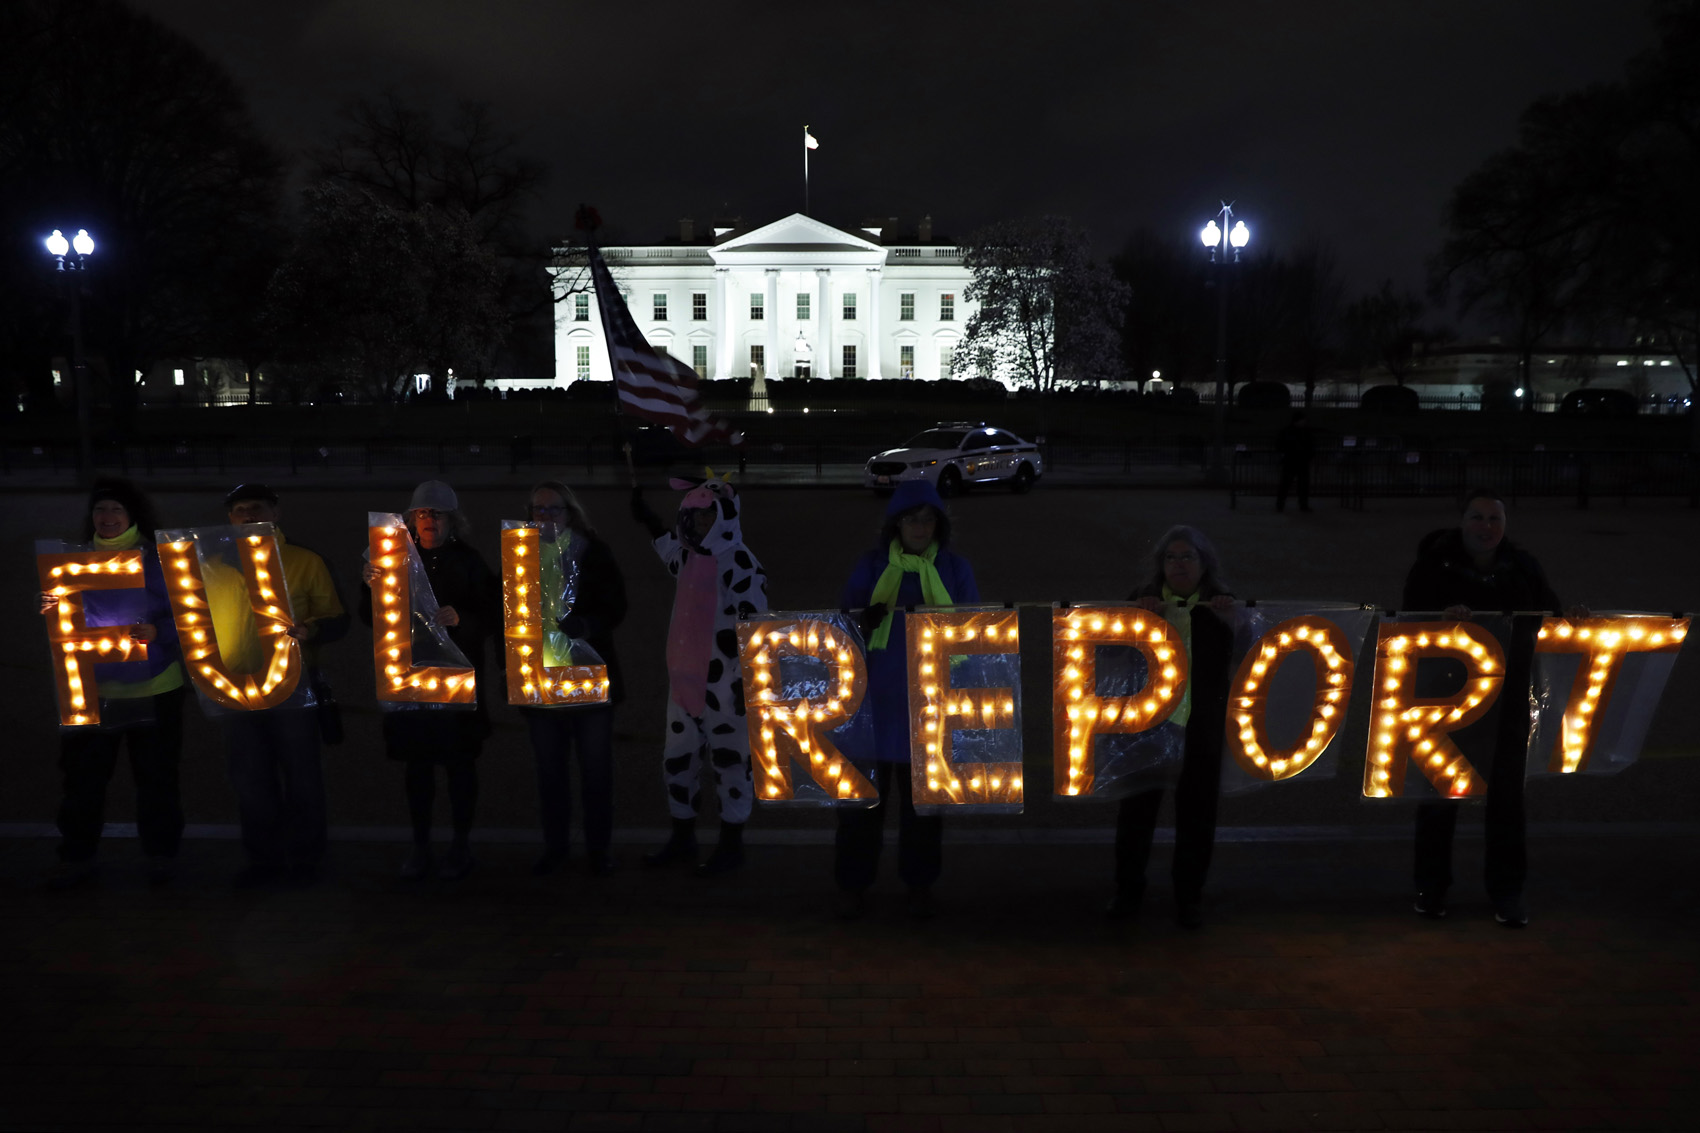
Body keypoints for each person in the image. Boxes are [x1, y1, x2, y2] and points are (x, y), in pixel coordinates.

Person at [1400, 488, 1578, 928]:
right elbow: (1409, 619)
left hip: (1510, 697)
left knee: (1506, 802)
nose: (1486, 527)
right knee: (1441, 796)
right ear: (1462, 522)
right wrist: (1444, 616)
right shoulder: (1431, 566)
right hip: (1447, 700)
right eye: (1477, 518)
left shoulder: (1523, 567)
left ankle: (1507, 892)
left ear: (1505, 526)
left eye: (1494, 519)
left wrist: (1570, 616)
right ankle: (1431, 886)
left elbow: (1548, 612)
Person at [835, 479, 979, 919]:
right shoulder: (871, 566)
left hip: (928, 706)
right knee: (862, 806)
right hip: (873, 706)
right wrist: (860, 619)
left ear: (939, 525)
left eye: (928, 518)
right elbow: (841, 630)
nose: (921, 526)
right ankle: (854, 885)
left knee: (924, 809)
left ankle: (919, 883)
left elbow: (973, 630)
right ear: (896, 524)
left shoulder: (954, 569)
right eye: (912, 518)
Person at [40, 478, 185, 888]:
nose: (106, 518)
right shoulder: (71, 561)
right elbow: (65, 619)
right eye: (100, 510)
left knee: (157, 779)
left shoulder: (160, 560)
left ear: (133, 515)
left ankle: (161, 855)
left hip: (156, 687)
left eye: (116, 510)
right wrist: (50, 605)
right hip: (92, 690)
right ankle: (77, 854)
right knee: (83, 778)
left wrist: (161, 633)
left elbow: (191, 615)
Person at [360, 480, 499, 880]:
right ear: (410, 520)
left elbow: (493, 614)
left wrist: (464, 619)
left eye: (437, 514)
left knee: (459, 769)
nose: (429, 521)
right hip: (414, 683)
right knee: (418, 769)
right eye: (422, 513)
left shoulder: (470, 562)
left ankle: (459, 843)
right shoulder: (393, 561)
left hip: (456, 684)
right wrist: (369, 584)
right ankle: (421, 844)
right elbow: (370, 617)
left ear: (453, 520)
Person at [630, 473, 768, 876]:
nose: (700, 524)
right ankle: (683, 836)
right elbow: (668, 550)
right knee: (678, 760)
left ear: (725, 515)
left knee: (730, 762)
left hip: (728, 686)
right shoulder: (691, 556)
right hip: (685, 682)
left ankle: (731, 843)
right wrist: (649, 521)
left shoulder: (740, 561)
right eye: (694, 517)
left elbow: (756, 621)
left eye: (708, 516)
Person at [216, 484, 348, 885]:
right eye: (240, 509)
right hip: (237, 685)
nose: (248, 514)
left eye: (257, 507)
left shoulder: (305, 560)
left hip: (294, 682)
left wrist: (313, 629)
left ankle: (306, 858)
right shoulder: (213, 564)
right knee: (251, 778)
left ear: (276, 512)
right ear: (230, 518)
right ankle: (265, 861)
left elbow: (337, 619)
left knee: (302, 774)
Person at [1109, 525, 1237, 929]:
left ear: (1204, 564)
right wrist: (1135, 616)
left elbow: (1250, 657)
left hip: (1201, 728)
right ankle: (1128, 893)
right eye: (1171, 557)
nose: (1179, 565)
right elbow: (1109, 655)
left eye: (1188, 557)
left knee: (1197, 817)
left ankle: (1189, 898)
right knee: (1136, 815)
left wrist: (1235, 620)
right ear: (1160, 565)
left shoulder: (1223, 608)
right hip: (1149, 725)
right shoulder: (1141, 601)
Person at [520, 480, 627, 876]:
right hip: (540, 680)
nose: (545, 516)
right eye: (538, 509)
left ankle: (598, 850)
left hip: (588, 677)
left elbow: (616, 605)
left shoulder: (592, 551)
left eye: (553, 509)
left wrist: (586, 624)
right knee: (550, 774)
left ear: (570, 512)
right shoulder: (519, 554)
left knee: (595, 772)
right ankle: (556, 848)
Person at [1275, 410, 1315, 513]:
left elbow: (1280, 445)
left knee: (1289, 484)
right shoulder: (1305, 432)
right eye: (1303, 420)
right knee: (1293, 484)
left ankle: (1282, 504)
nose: (1304, 422)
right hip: (1295, 460)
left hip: (1293, 460)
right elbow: (1310, 445)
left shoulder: (1287, 431)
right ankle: (1301, 505)